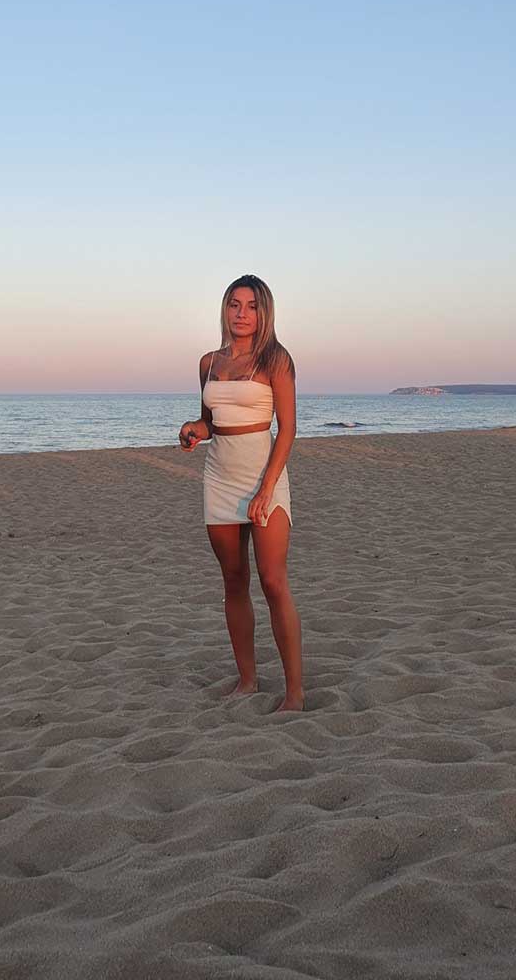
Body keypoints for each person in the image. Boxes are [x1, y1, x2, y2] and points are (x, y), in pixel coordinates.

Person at [178, 275, 303, 712]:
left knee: (273, 580)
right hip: (219, 478)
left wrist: (266, 489)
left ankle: (295, 694)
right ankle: (247, 681)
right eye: (234, 305)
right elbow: (211, 421)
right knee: (233, 580)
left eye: (251, 306)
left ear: (263, 312)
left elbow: (287, 429)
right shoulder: (208, 363)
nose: (242, 314)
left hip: (264, 478)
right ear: (225, 310)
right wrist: (195, 430)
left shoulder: (276, 359)